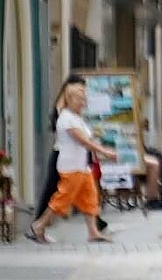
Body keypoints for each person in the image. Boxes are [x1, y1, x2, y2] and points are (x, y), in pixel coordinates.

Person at [27, 85, 118, 243]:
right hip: (70, 166)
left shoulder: (77, 118)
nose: (82, 102)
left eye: (84, 99)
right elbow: (82, 141)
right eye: (79, 99)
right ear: (69, 99)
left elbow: (88, 140)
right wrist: (104, 152)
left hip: (82, 166)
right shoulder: (66, 118)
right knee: (63, 199)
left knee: (90, 197)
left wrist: (102, 150)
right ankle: (39, 225)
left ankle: (93, 232)